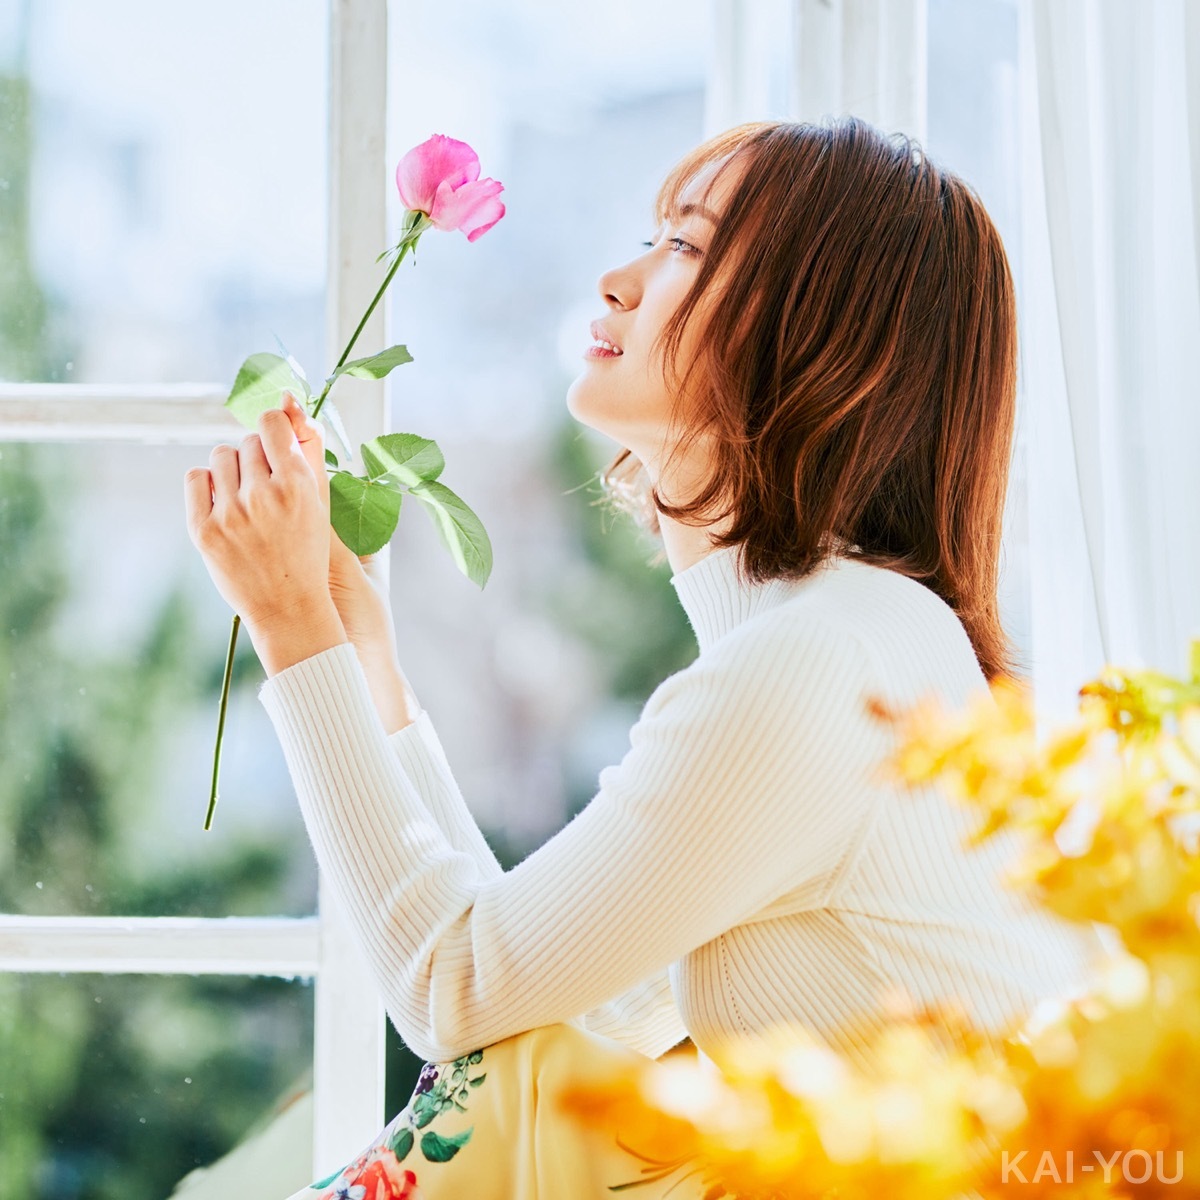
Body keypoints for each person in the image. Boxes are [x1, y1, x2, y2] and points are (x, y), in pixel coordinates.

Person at [184, 116, 1105, 1199]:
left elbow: (458, 989)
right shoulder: (867, 634)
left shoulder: (812, 666)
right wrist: (360, 648)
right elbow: (535, 998)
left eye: (687, 249)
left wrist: (293, 630)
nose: (619, 280)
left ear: (815, 339)